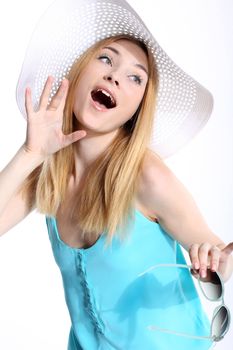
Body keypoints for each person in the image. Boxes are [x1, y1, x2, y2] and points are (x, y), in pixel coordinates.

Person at [1, 0, 233, 349]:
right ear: (79, 74)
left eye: (135, 77)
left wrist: (213, 259)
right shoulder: (48, 172)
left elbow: (218, 253)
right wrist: (29, 153)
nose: (114, 76)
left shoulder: (147, 176)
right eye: (106, 59)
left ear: (135, 110)